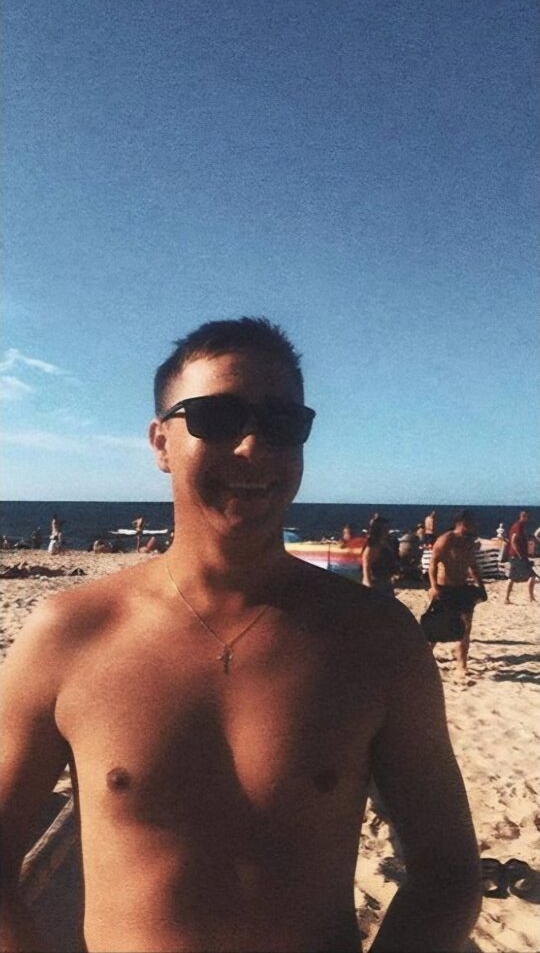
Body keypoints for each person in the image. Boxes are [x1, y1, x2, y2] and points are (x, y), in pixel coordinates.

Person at [0, 318, 481, 953]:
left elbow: (447, 874)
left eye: (282, 424)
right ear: (161, 442)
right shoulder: (70, 634)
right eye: (217, 418)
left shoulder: (376, 640)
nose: (254, 446)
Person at [428, 509, 487, 675]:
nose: (476, 525)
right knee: (436, 626)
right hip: (444, 588)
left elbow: (473, 567)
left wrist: (481, 586)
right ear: (463, 522)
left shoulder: (469, 542)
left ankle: (462, 664)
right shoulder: (446, 539)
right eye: (473, 522)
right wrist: (434, 586)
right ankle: (424, 657)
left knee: (465, 627)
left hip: (462, 588)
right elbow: (433, 564)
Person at [361, 515, 398, 597]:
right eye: (386, 528)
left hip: (386, 582)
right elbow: (366, 568)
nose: (388, 530)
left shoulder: (385, 544)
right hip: (376, 583)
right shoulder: (372, 547)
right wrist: (368, 584)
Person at [504, 510, 536, 604]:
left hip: (514, 555)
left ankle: (506, 598)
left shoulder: (517, 526)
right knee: (532, 575)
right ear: (523, 517)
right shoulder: (518, 526)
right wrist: (520, 555)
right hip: (518, 556)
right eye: (527, 517)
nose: (528, 519)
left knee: (512, 577)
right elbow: (513, 541)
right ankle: (531, 598)